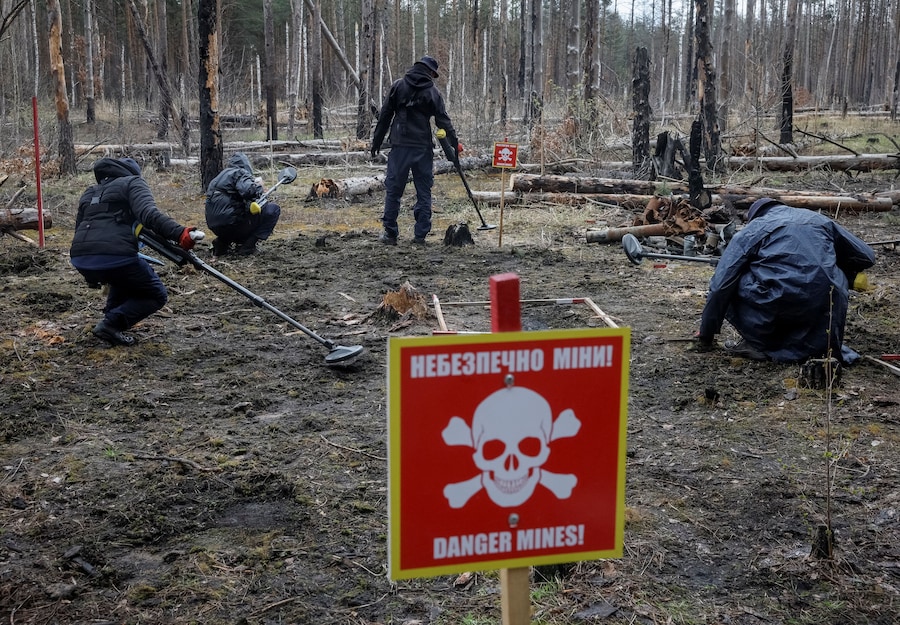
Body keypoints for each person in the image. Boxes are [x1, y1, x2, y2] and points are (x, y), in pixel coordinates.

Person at [696, 198, 875, 364]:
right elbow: (867, 256)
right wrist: (837, 265)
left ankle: (760, 344)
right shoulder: (818, 219)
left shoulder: (754, 228)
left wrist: (706, 334)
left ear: (754, 216)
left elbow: (720, 285)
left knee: (733, 278)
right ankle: (812, 347)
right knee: (835, 277)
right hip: (823, 304)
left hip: (779, 303)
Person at [70, 157, 202, 346]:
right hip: (114, 255)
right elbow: (148, 215)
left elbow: (79, 229)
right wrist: (180, 233)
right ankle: (110, 324)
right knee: (156, 294)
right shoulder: (133, 182)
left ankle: (110, 321)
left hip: (80, 258)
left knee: (122, 278)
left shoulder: (90, 191)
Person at [371, 55, 460, 245]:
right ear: (429, 71)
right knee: (423, 191)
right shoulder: (433, 93)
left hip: (400, 145)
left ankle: (390, 234)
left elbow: (385, 115)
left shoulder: (398, 86)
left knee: (394, 190)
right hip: (422, 147)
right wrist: (454, 141)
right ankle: (420, 236)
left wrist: (376, 141)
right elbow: (443, 120)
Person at [205, 152, 281, 256]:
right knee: (273, 209)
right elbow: (248, 191)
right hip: (233, 224)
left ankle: (222, 242)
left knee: (233, 216)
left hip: (215, 227)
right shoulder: (240, 173)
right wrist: (259, 187)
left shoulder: (217, 179)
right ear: (246, 164)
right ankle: (248, 247)